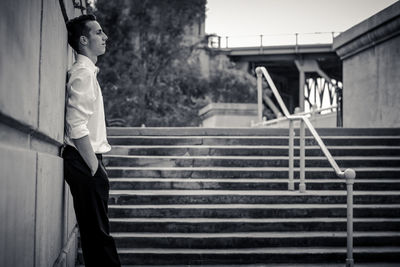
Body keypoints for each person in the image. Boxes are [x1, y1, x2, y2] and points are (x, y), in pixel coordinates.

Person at [62, 14, 121, 267]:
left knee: (95, 234)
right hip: (85, 161)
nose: (105, 36)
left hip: (86, 160)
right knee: (98, 236)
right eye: (98, 33)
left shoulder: (86, 72)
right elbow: (76, 123)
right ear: (84, 40)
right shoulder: (83, 73)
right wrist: (95, 168)